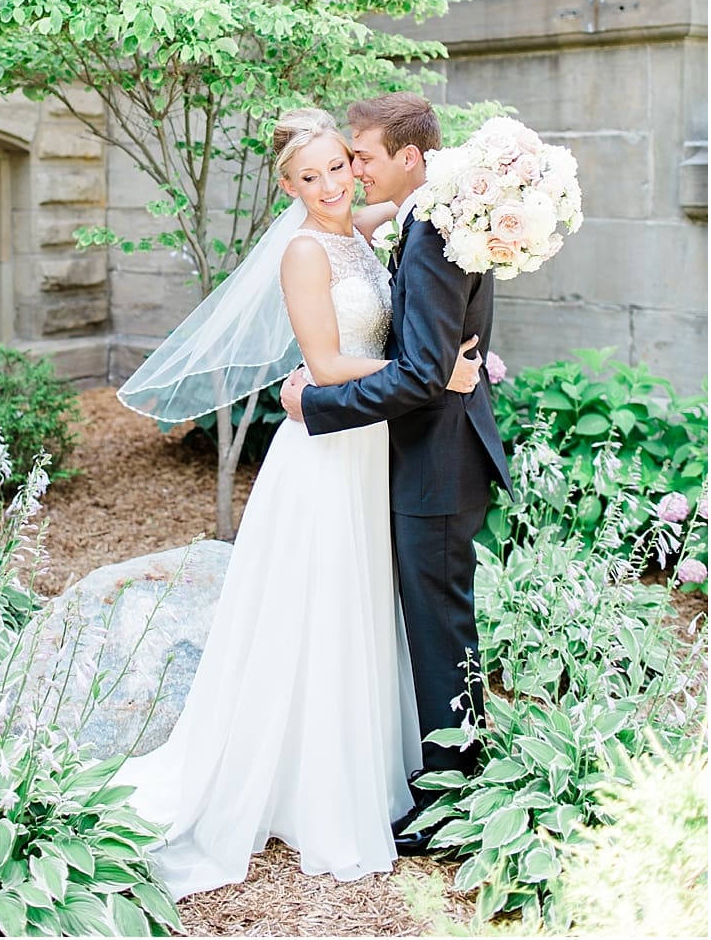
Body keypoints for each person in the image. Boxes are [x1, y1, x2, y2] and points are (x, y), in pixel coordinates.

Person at [116, 108, 481, 897]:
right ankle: (300, 778)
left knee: (357, 600)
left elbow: (421, 206)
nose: (326, 185)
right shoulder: (304, 251)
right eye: (307, 176)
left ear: (358, 169)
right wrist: (430, 372)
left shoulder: (366, 227)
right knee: (313, 602)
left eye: (338, 167)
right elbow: (319, 362)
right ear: (286, 187)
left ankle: (370, 757)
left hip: (372, 444)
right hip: (325, 450)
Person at [283, 91, 512, 852]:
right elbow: (430, 354)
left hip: (435, 461)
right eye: (330, 162)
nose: (350, 169)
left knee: (441, 629)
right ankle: (449, 774)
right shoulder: (419, 217)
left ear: (408, 157)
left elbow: (422, 372)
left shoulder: (436, 228)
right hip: (416, 453)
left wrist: (314, 402)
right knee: (435, 625)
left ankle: (451, 799)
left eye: (362, 156)